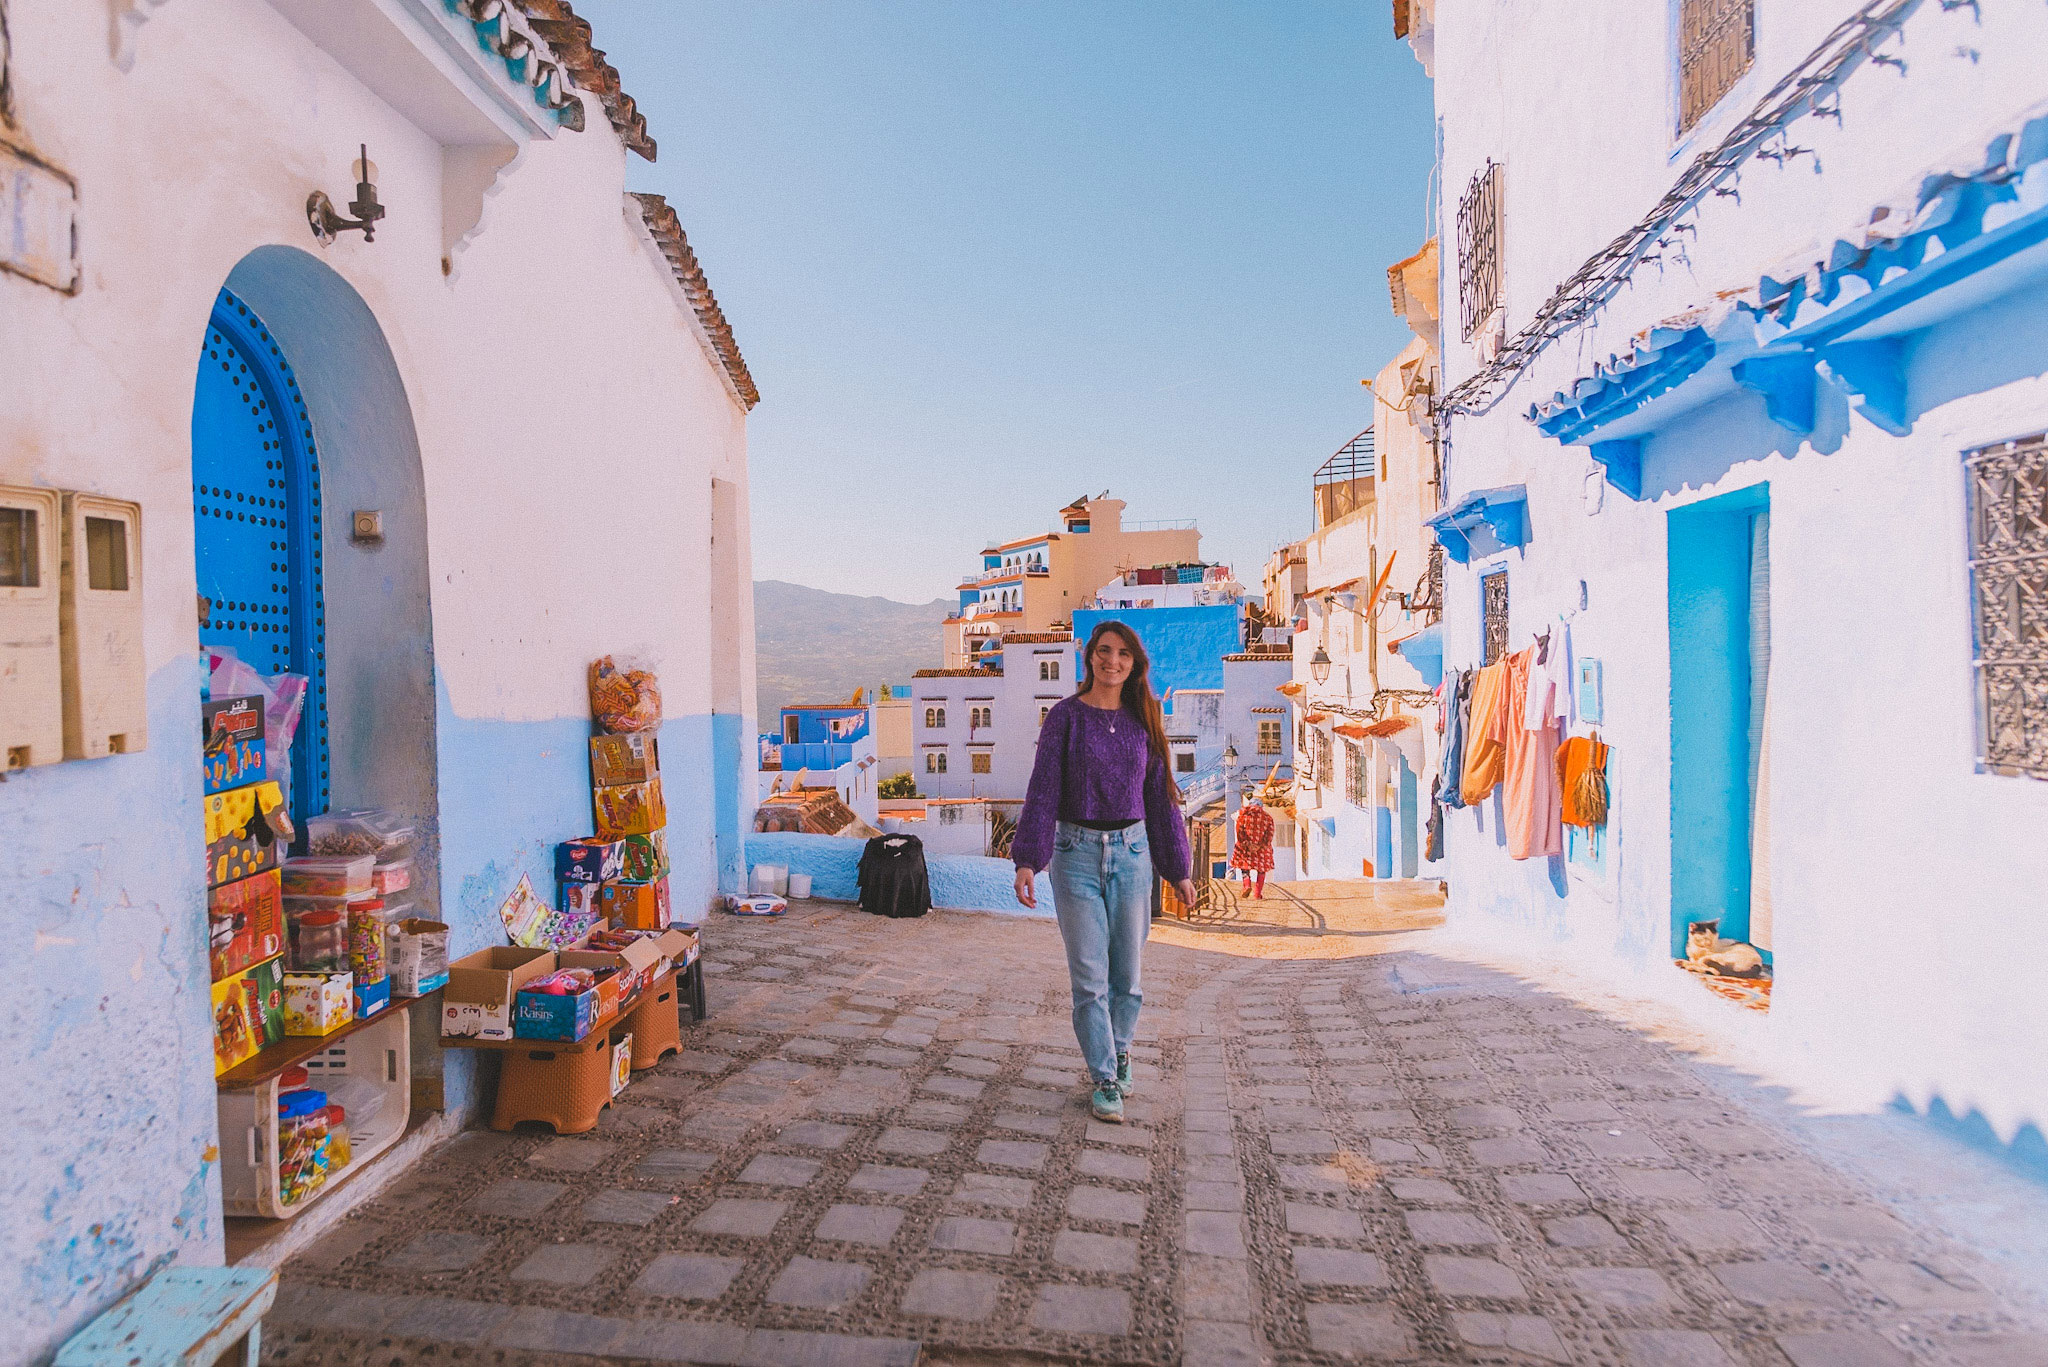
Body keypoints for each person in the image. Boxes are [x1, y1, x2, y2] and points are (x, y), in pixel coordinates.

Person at [1013, 621, 1195, 1123]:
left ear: (1134, 665)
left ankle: (1121, 1050)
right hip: (1075, 856)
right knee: (1090, 978)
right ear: (1090, 657)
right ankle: (1104, 1077)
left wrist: (1178, 868)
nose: (1111, 661)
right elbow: (1043, 788)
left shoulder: (1145, 718)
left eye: (1122, 655)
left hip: (1134, 855)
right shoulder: (1065, 719)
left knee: (1128, 978)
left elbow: (1161, 798)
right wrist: (1028, 859)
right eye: (1103, 651)